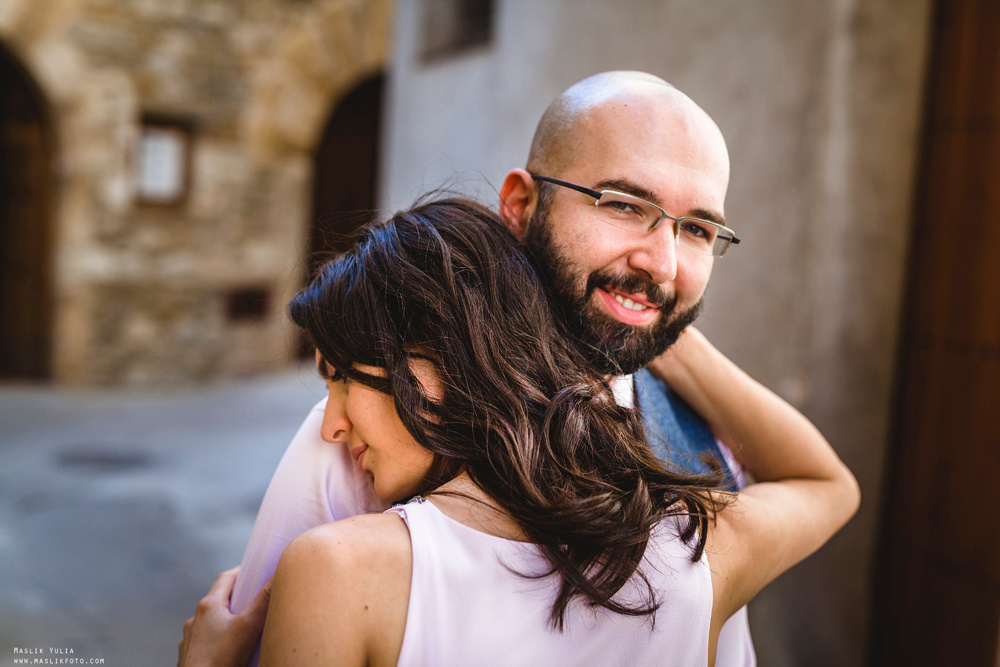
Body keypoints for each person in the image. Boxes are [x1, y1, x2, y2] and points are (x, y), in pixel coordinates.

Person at [186, 70, 767, 663]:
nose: (663, 264)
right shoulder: (359, 434)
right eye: (622, 204)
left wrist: (657, 324)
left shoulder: (705, 439)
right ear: (519, 206)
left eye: (697, 229)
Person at [181, 199, 858, 666]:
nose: (329, 425)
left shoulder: (337, 571)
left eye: (343, 380)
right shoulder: (695, 548)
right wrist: (654, 327)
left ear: (438, 358)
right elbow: (827, 482)